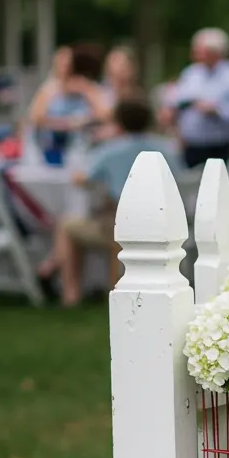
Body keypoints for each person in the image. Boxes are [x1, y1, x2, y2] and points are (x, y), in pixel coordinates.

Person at [37, 93, 181, 306]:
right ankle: (54, 270)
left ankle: (70, 292)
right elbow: (180, 177)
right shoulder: (167, 149)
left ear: (118, 122)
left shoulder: (110, 151)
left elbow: (83, 179)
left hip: (120, 226)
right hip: (164, 224)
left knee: (67, 226)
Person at [164, 28, 229, 168]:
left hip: (219, 145)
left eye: (199, 50)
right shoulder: (191, 73)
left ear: (215, 52)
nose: (195, 55)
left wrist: (217, 111)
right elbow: (177, 101)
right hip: (191, 145)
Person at [28, 43, 111, 158]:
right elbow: (35, 117)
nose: (64, 67)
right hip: (51, 149)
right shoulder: (49, 88)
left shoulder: (87, 86)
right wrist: (64, 124)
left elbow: (105, 114)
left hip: (82, 149)